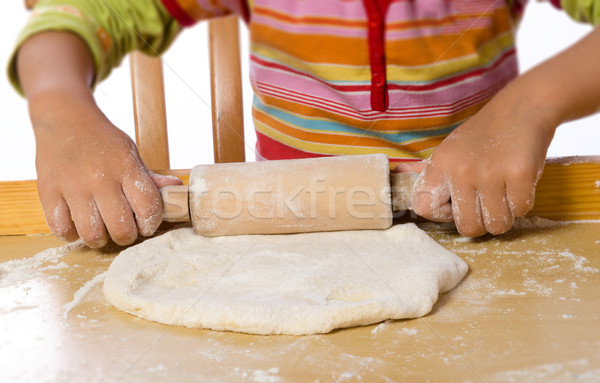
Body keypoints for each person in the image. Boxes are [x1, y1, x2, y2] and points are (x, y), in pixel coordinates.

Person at [8, 0, 600, 248]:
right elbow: (79, 10)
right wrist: (60, 111)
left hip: (477, 229)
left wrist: (532, 104)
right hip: (284, 238)